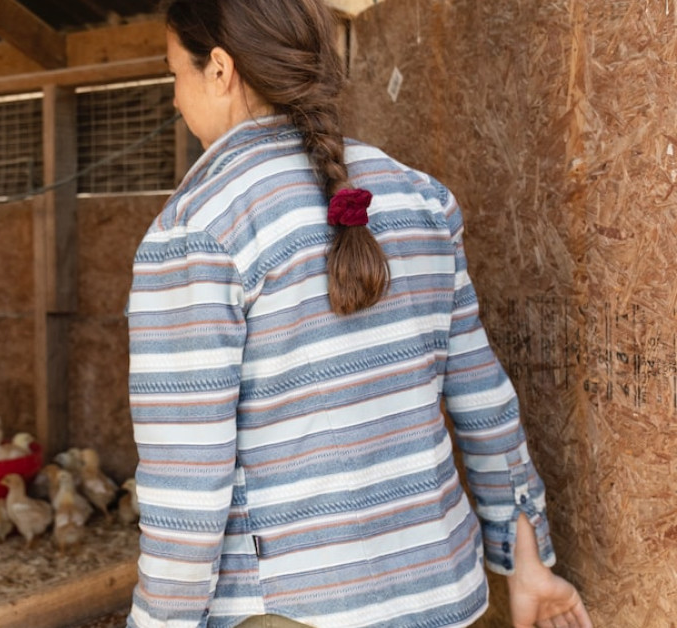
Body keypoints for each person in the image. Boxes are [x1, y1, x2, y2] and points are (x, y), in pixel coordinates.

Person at [125, 1, 593, 627]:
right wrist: (526, 561)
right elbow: (483, 396)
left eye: (173, 75)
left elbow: (188, 488)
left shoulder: (196, 233)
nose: (176, 102)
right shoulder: (422, 198)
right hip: (444, 598)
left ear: (218, 69)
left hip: (290, 609)